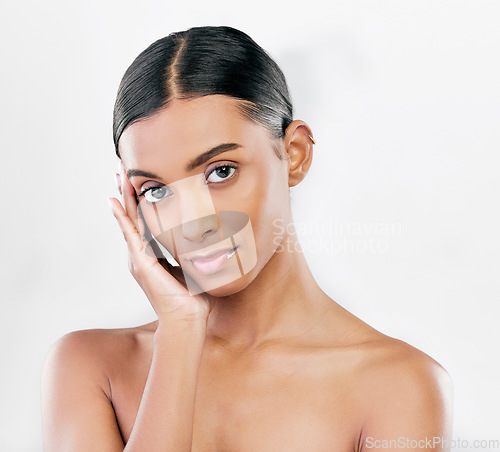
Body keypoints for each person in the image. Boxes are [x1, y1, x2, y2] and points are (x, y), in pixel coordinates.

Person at [41, 26, 453, 451]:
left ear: (294, 154)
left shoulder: (398, 384)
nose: (193, 224)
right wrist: (180, 330)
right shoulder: (90, 367)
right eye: (156, 190)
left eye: (220, 171)